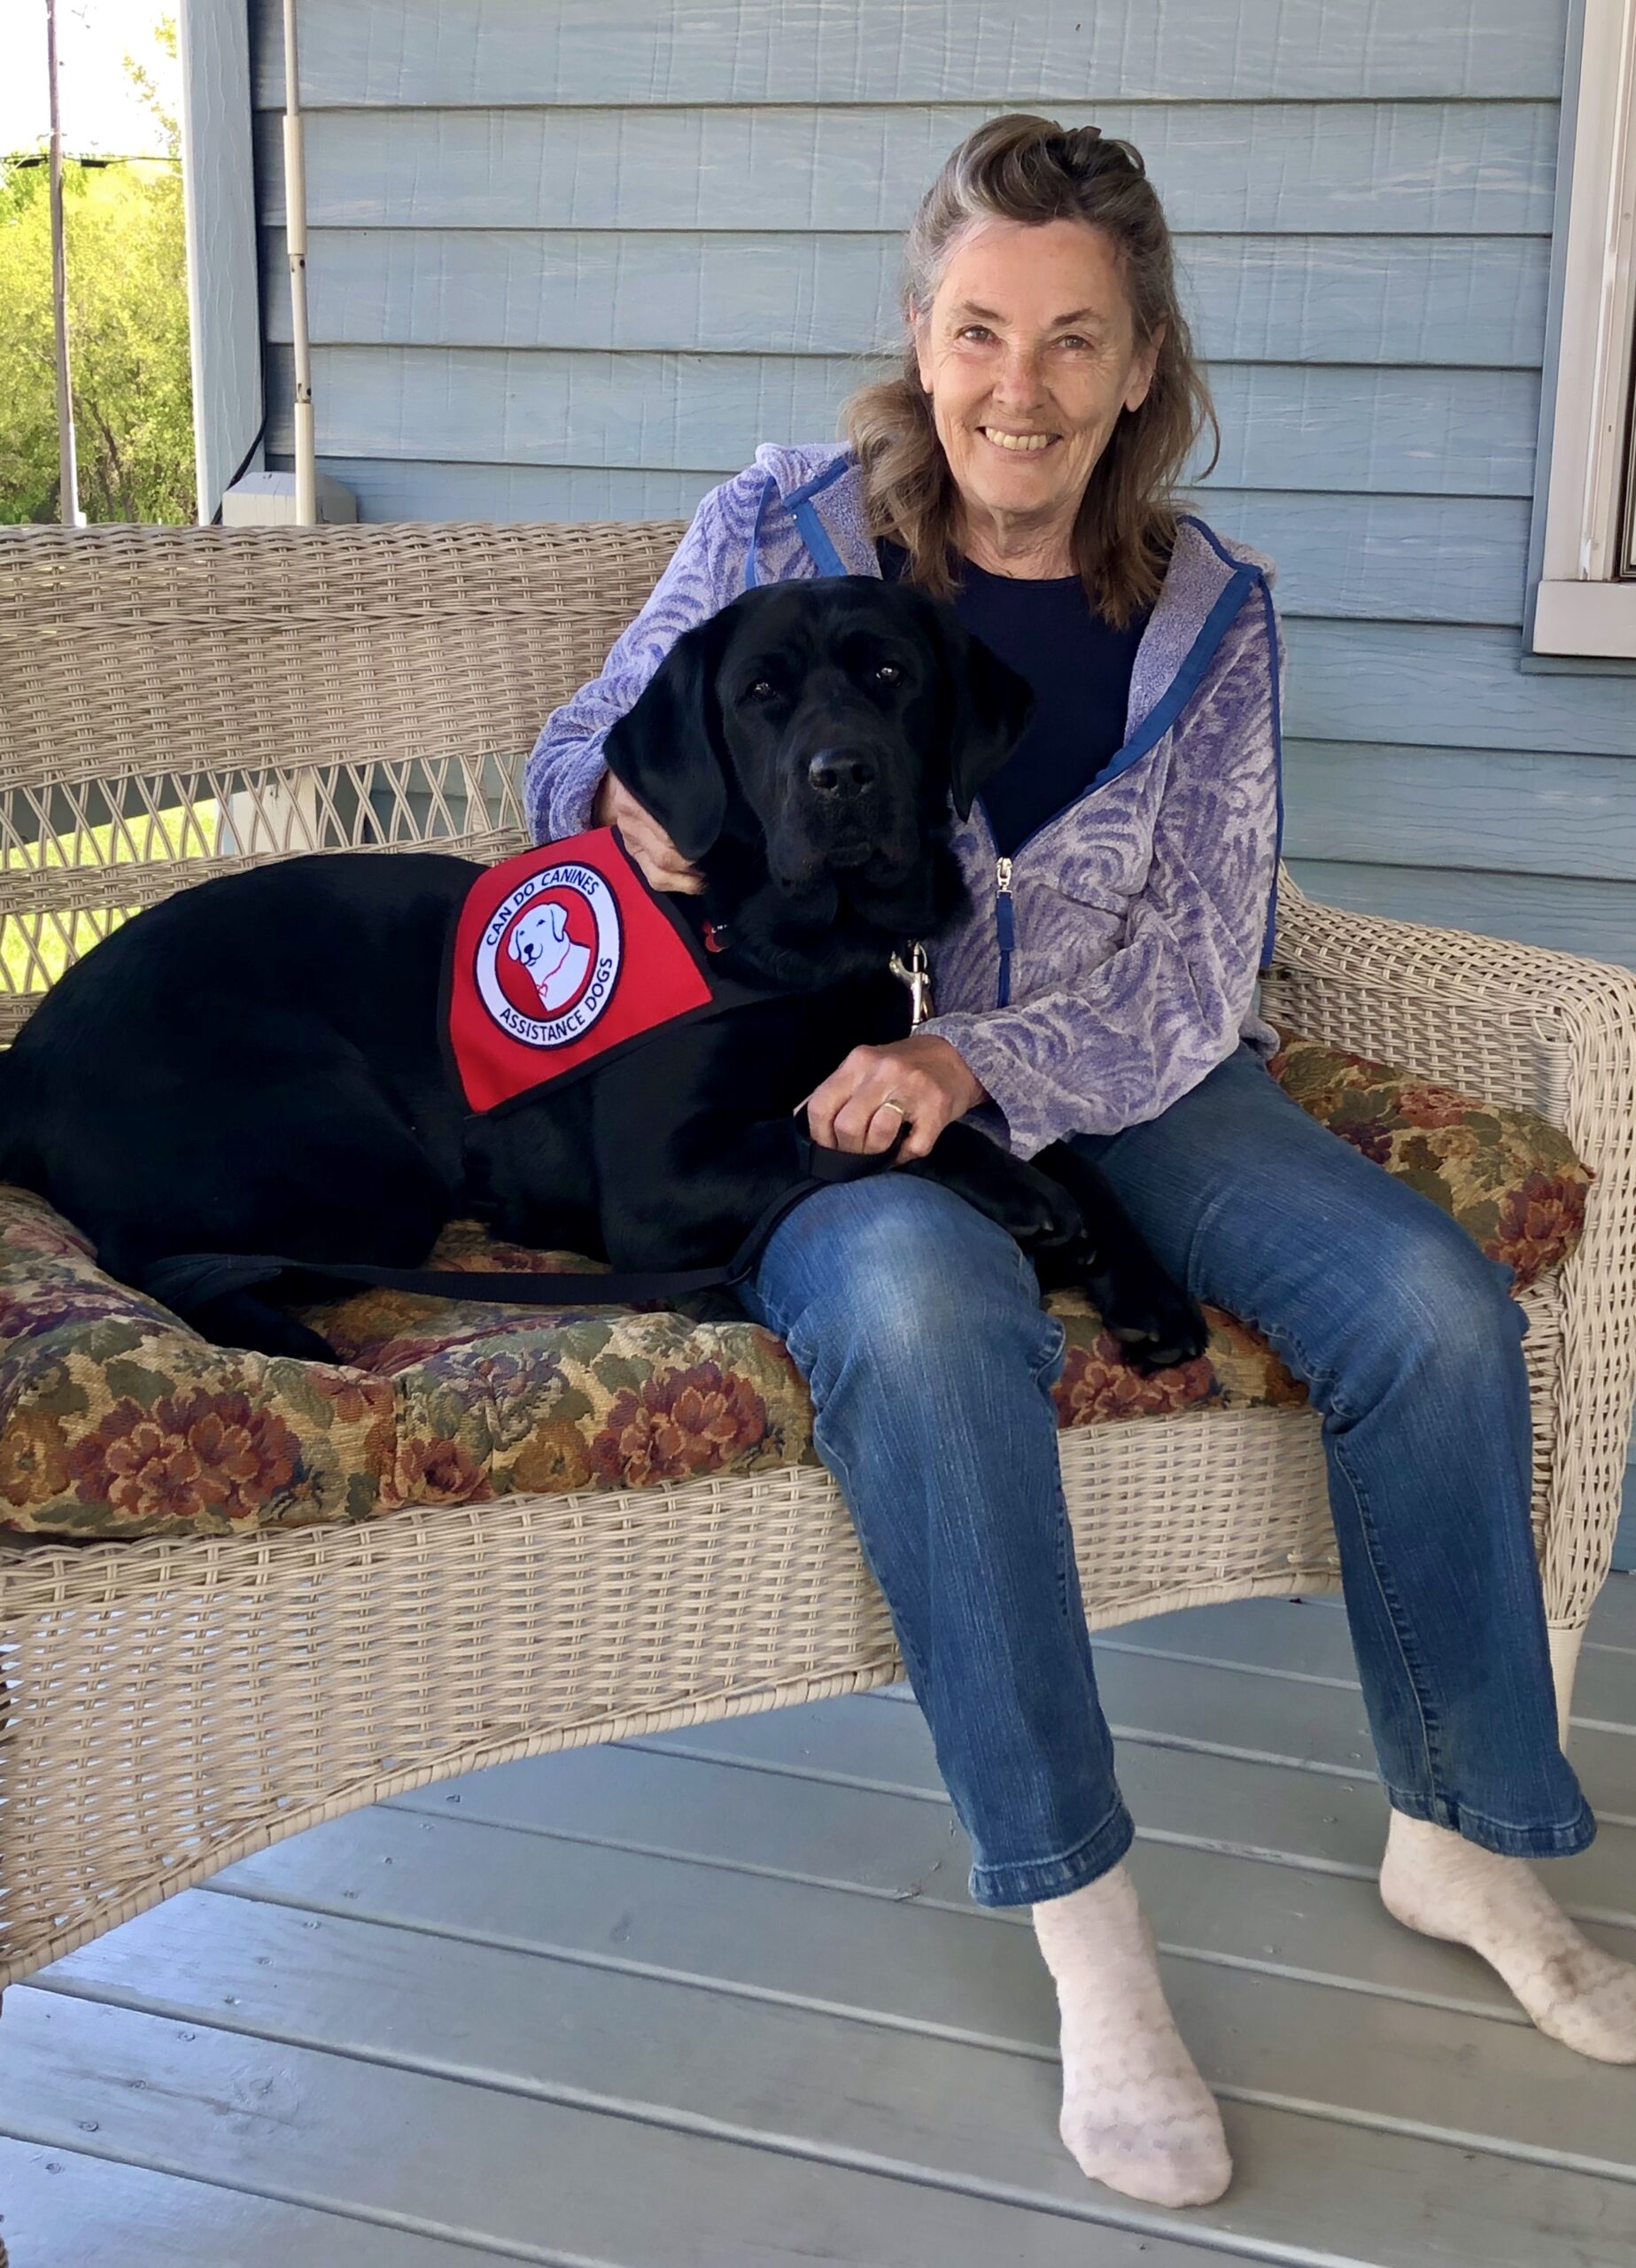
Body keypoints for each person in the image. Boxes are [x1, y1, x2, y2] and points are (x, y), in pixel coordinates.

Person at [525, 115, 1636, 2210]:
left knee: (1430, 1300)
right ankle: (1090, 1935)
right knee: (936, 1313)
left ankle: (1460, 1833)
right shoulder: (773, 528)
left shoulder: (1210, 615)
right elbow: (579, 759)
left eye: (1071, 339)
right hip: (809, 1076)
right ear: (922, 337)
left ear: (1141, 365)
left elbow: (1207, 963)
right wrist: (651, 823)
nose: (1013, 386)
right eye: (977, 330)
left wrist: (978, 1054)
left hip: (1126, 1071)